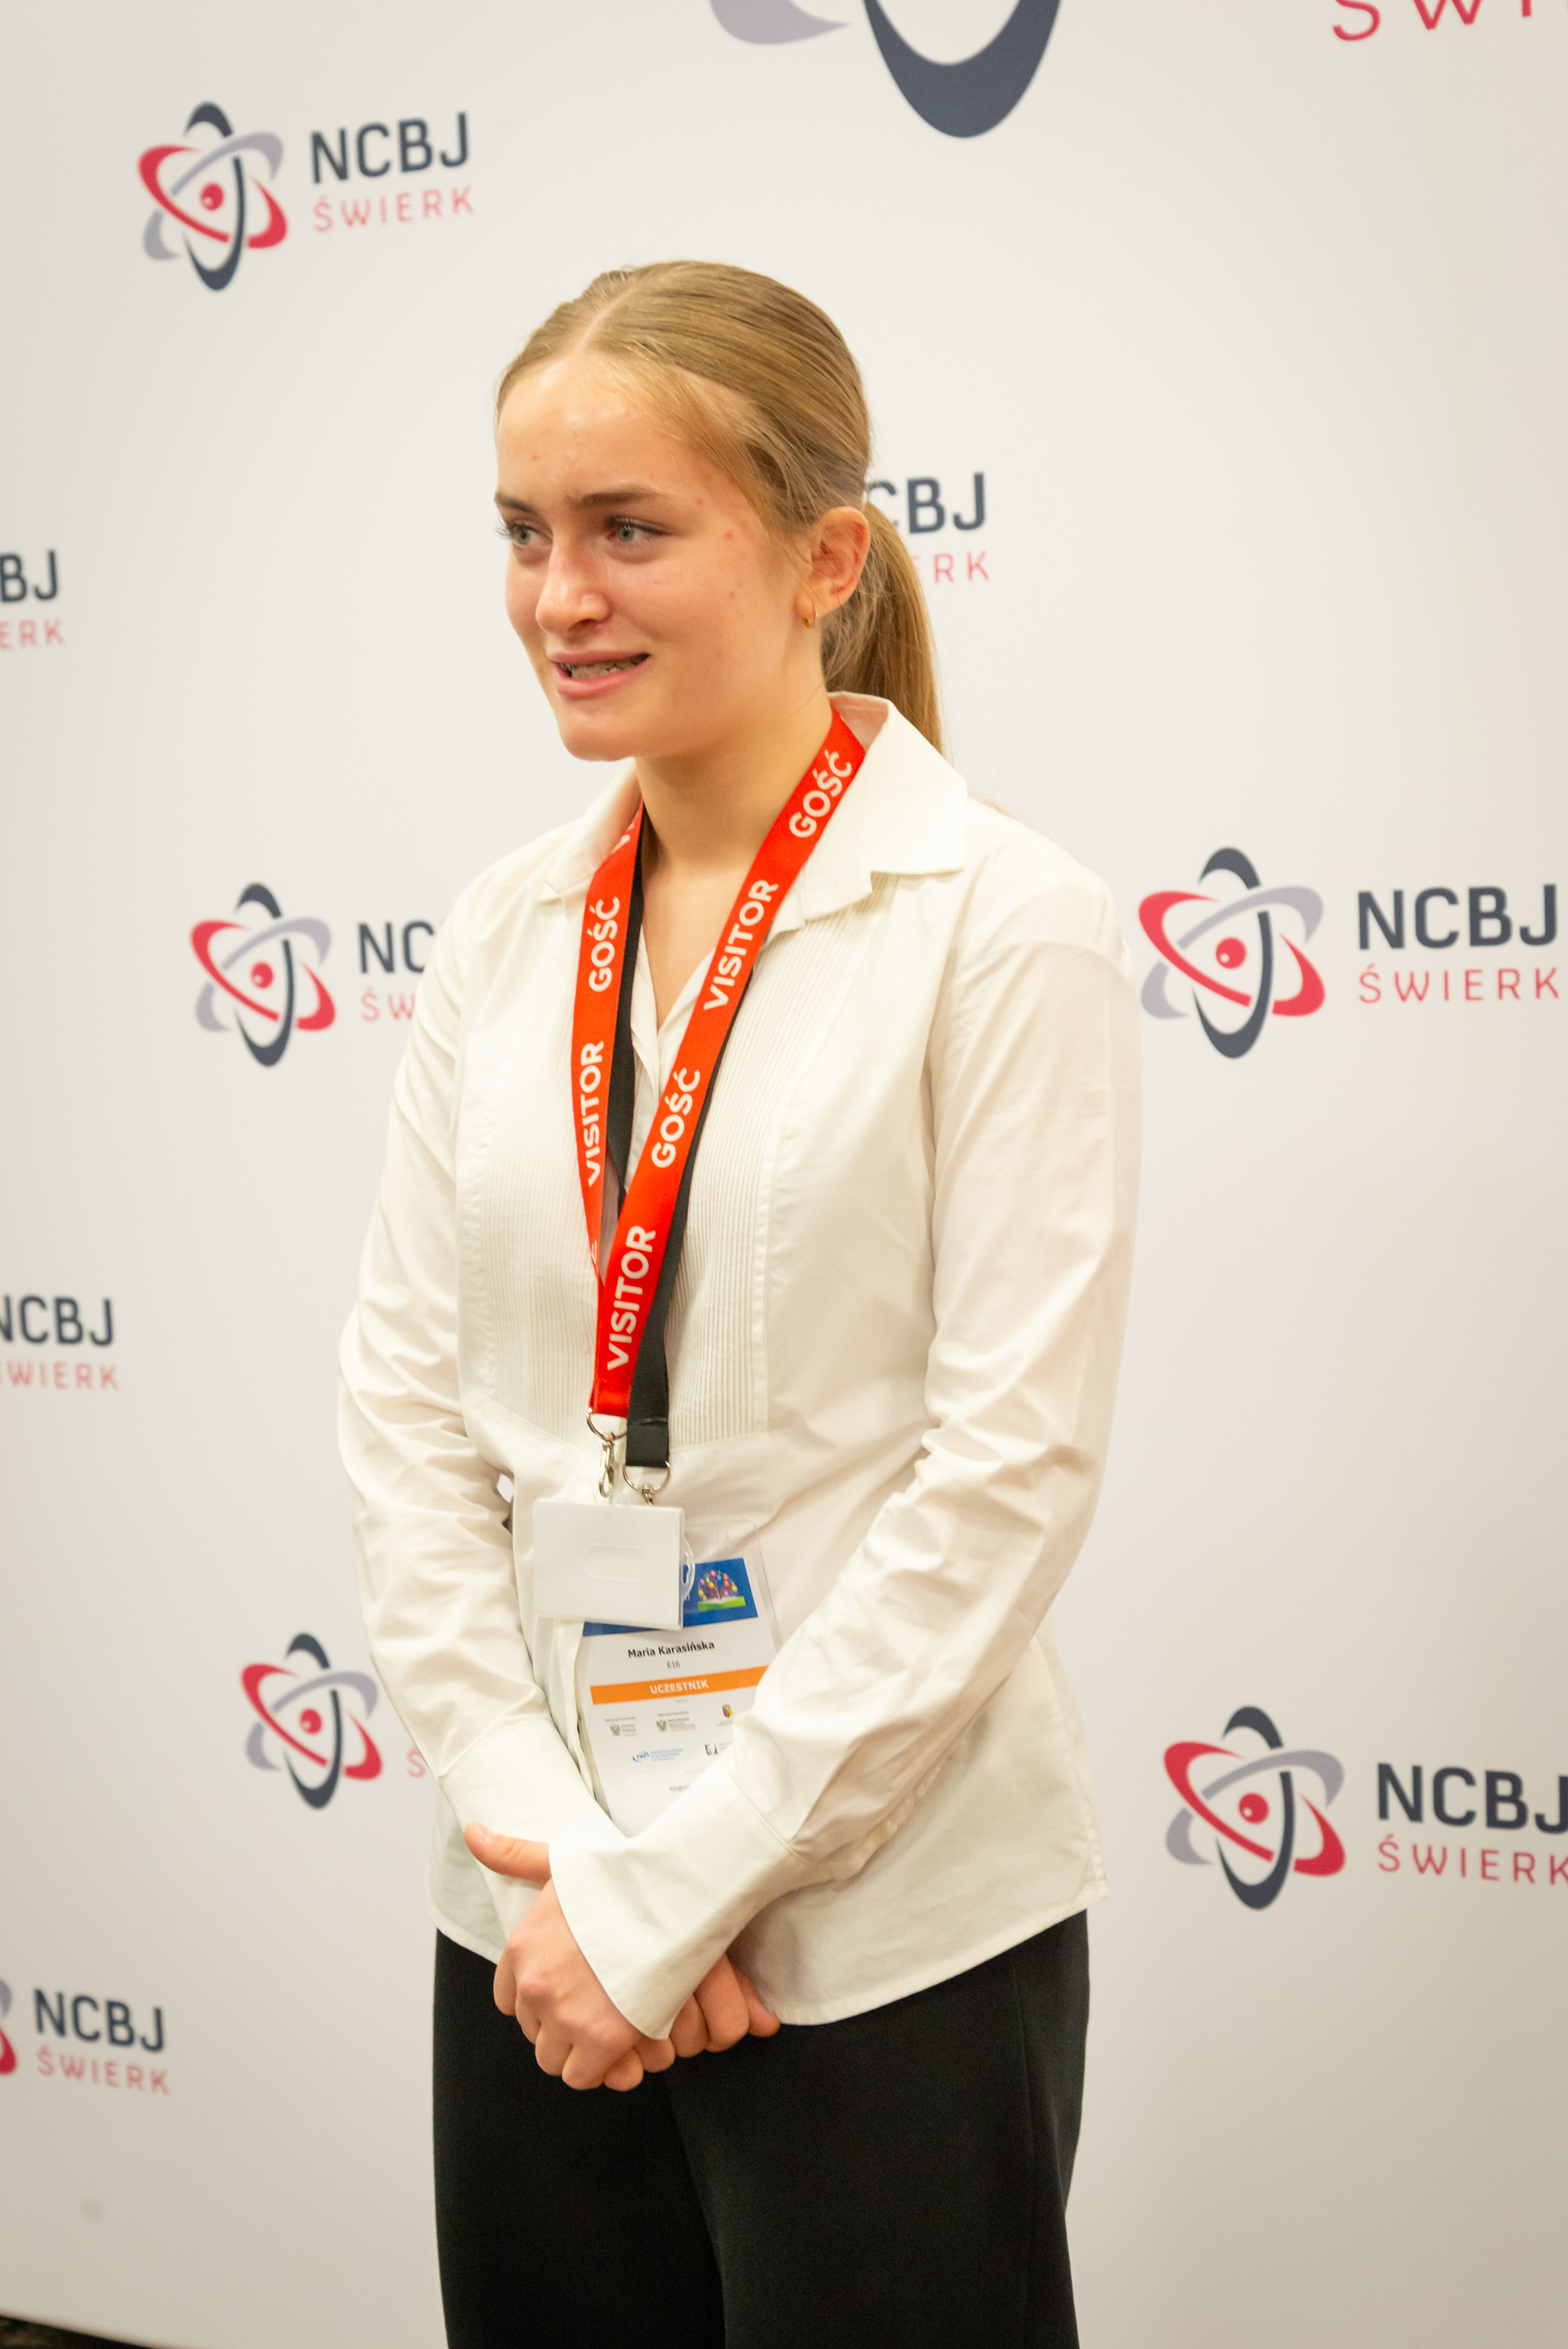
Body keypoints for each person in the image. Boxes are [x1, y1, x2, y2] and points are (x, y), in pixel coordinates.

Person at [339, 260, 1140, 2349]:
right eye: (524, 531)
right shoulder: (504, 933)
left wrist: (681, 1891)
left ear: (824, 560)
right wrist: (565, 1865)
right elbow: (410, 1425)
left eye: (630, 528)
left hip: (877, 1932)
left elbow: (1003, 1480)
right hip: (531, 1925)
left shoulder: (1001, 925)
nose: (560, 597)